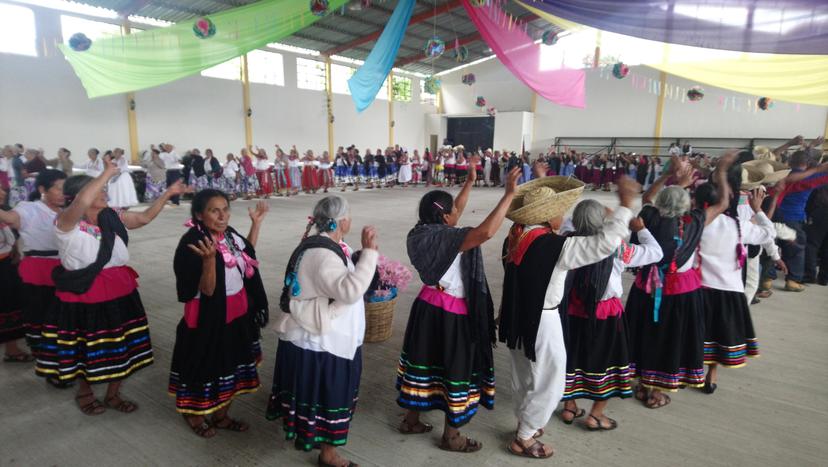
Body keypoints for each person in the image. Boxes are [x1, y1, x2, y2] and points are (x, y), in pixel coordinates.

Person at [499, 172, 639, 458]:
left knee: (524, 376)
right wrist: (625, 206)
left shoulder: (515, 237)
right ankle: (524, 437)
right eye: (560, 213)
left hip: (517, 317)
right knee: (551, 382)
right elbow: (603, 244)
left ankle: (524, 422)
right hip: (542, 320)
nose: (564, 218)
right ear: (549, 217)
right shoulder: (554, 247)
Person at [35, 158, 188, 414]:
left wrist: (168, 194)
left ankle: (113, 394)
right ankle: (85, 393)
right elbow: (82, 202)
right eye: (99, 189)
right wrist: (105, 173)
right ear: (79, 196)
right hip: (85, 296)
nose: (105, 192)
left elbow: (143, 218)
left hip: (120, 291)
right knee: (88, 349)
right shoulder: (67, 223)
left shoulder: (111, 216)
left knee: (121, 345)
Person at [396, 161, 521, 453]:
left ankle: (411, 420)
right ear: (444, 216)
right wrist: (508, 195)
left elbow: (456, 212)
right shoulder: (450, 238)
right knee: (456, 367)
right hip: (452, 313)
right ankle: (451, 436)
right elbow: (487, 232)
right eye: (453, 211)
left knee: (424, 362)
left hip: (426, 307)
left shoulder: (421, 233)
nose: (458, 213)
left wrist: (469, 183)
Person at [268, 196, 378, 467]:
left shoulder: (329, 246)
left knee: (321, 397)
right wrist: (370, 253)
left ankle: (317, 439)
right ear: (342, 221)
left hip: (322, 336)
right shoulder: (322, 254)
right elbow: (350, 290)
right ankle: (328, 455)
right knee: (329, 396)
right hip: (321, 343)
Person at [626, 156, 733, 409]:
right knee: (670, 338)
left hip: (646, 288)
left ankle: (643, 383)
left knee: (646, 333)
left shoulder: (649, 217)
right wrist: (723, 171)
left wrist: (671, 178)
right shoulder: (693, 221)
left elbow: (648, 198)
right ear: (688, 205)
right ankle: (658, 391)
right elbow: (724, 202)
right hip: (680, 292)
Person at [170, 191, 269, 438]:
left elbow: (245, 255)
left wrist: (255, 225)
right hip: (208, 319)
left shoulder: (229, 235)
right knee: (206, 367)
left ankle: (221, 416)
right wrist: (208, 261)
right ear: (199, 215)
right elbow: (208, 290)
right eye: (215, 210)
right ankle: (194, 416)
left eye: (225, 209)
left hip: (236, 313)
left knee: (231, 365)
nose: (222, 215)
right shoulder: (193, 243)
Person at [695, 162, 775, 393]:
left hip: (700, 288)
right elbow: (769, 233)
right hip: (729, 289)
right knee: (720, 334)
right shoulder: (737, 225)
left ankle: (695, 370)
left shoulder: (695, 225)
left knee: (700, 332)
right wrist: (758, 209)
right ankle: (712, 373)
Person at [0, 170, 67, 380]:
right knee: (44, 319)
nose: (63, 193)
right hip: (40, 270)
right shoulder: (29, 209)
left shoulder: (70, 208)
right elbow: (10, 218)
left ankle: (66, 362)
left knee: (65, 320)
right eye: (58, 188)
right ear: (42, 190)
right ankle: (51, 367)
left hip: (67, 268)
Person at [0, 187, 28, 362]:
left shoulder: (6, 211)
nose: (3, 193)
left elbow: (14, 233)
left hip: (7, 264)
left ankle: (11, 348)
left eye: (2, 189)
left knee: (10, 305)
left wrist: (16, 251)